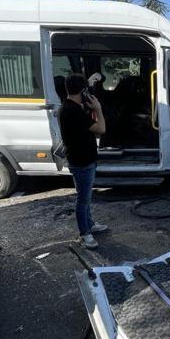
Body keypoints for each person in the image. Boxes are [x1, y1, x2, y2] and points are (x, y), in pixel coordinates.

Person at [58, 74, 108, 249]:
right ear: (82, 90)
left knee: (85, 197)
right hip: (82, 162)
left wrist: (90, 109)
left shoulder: (70, 107)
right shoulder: (73, 111)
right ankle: (84, 233)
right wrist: (99, 109)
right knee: (83, 199)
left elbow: (88, 130)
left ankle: (90, 225)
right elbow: (101, 129)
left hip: (83, 159)